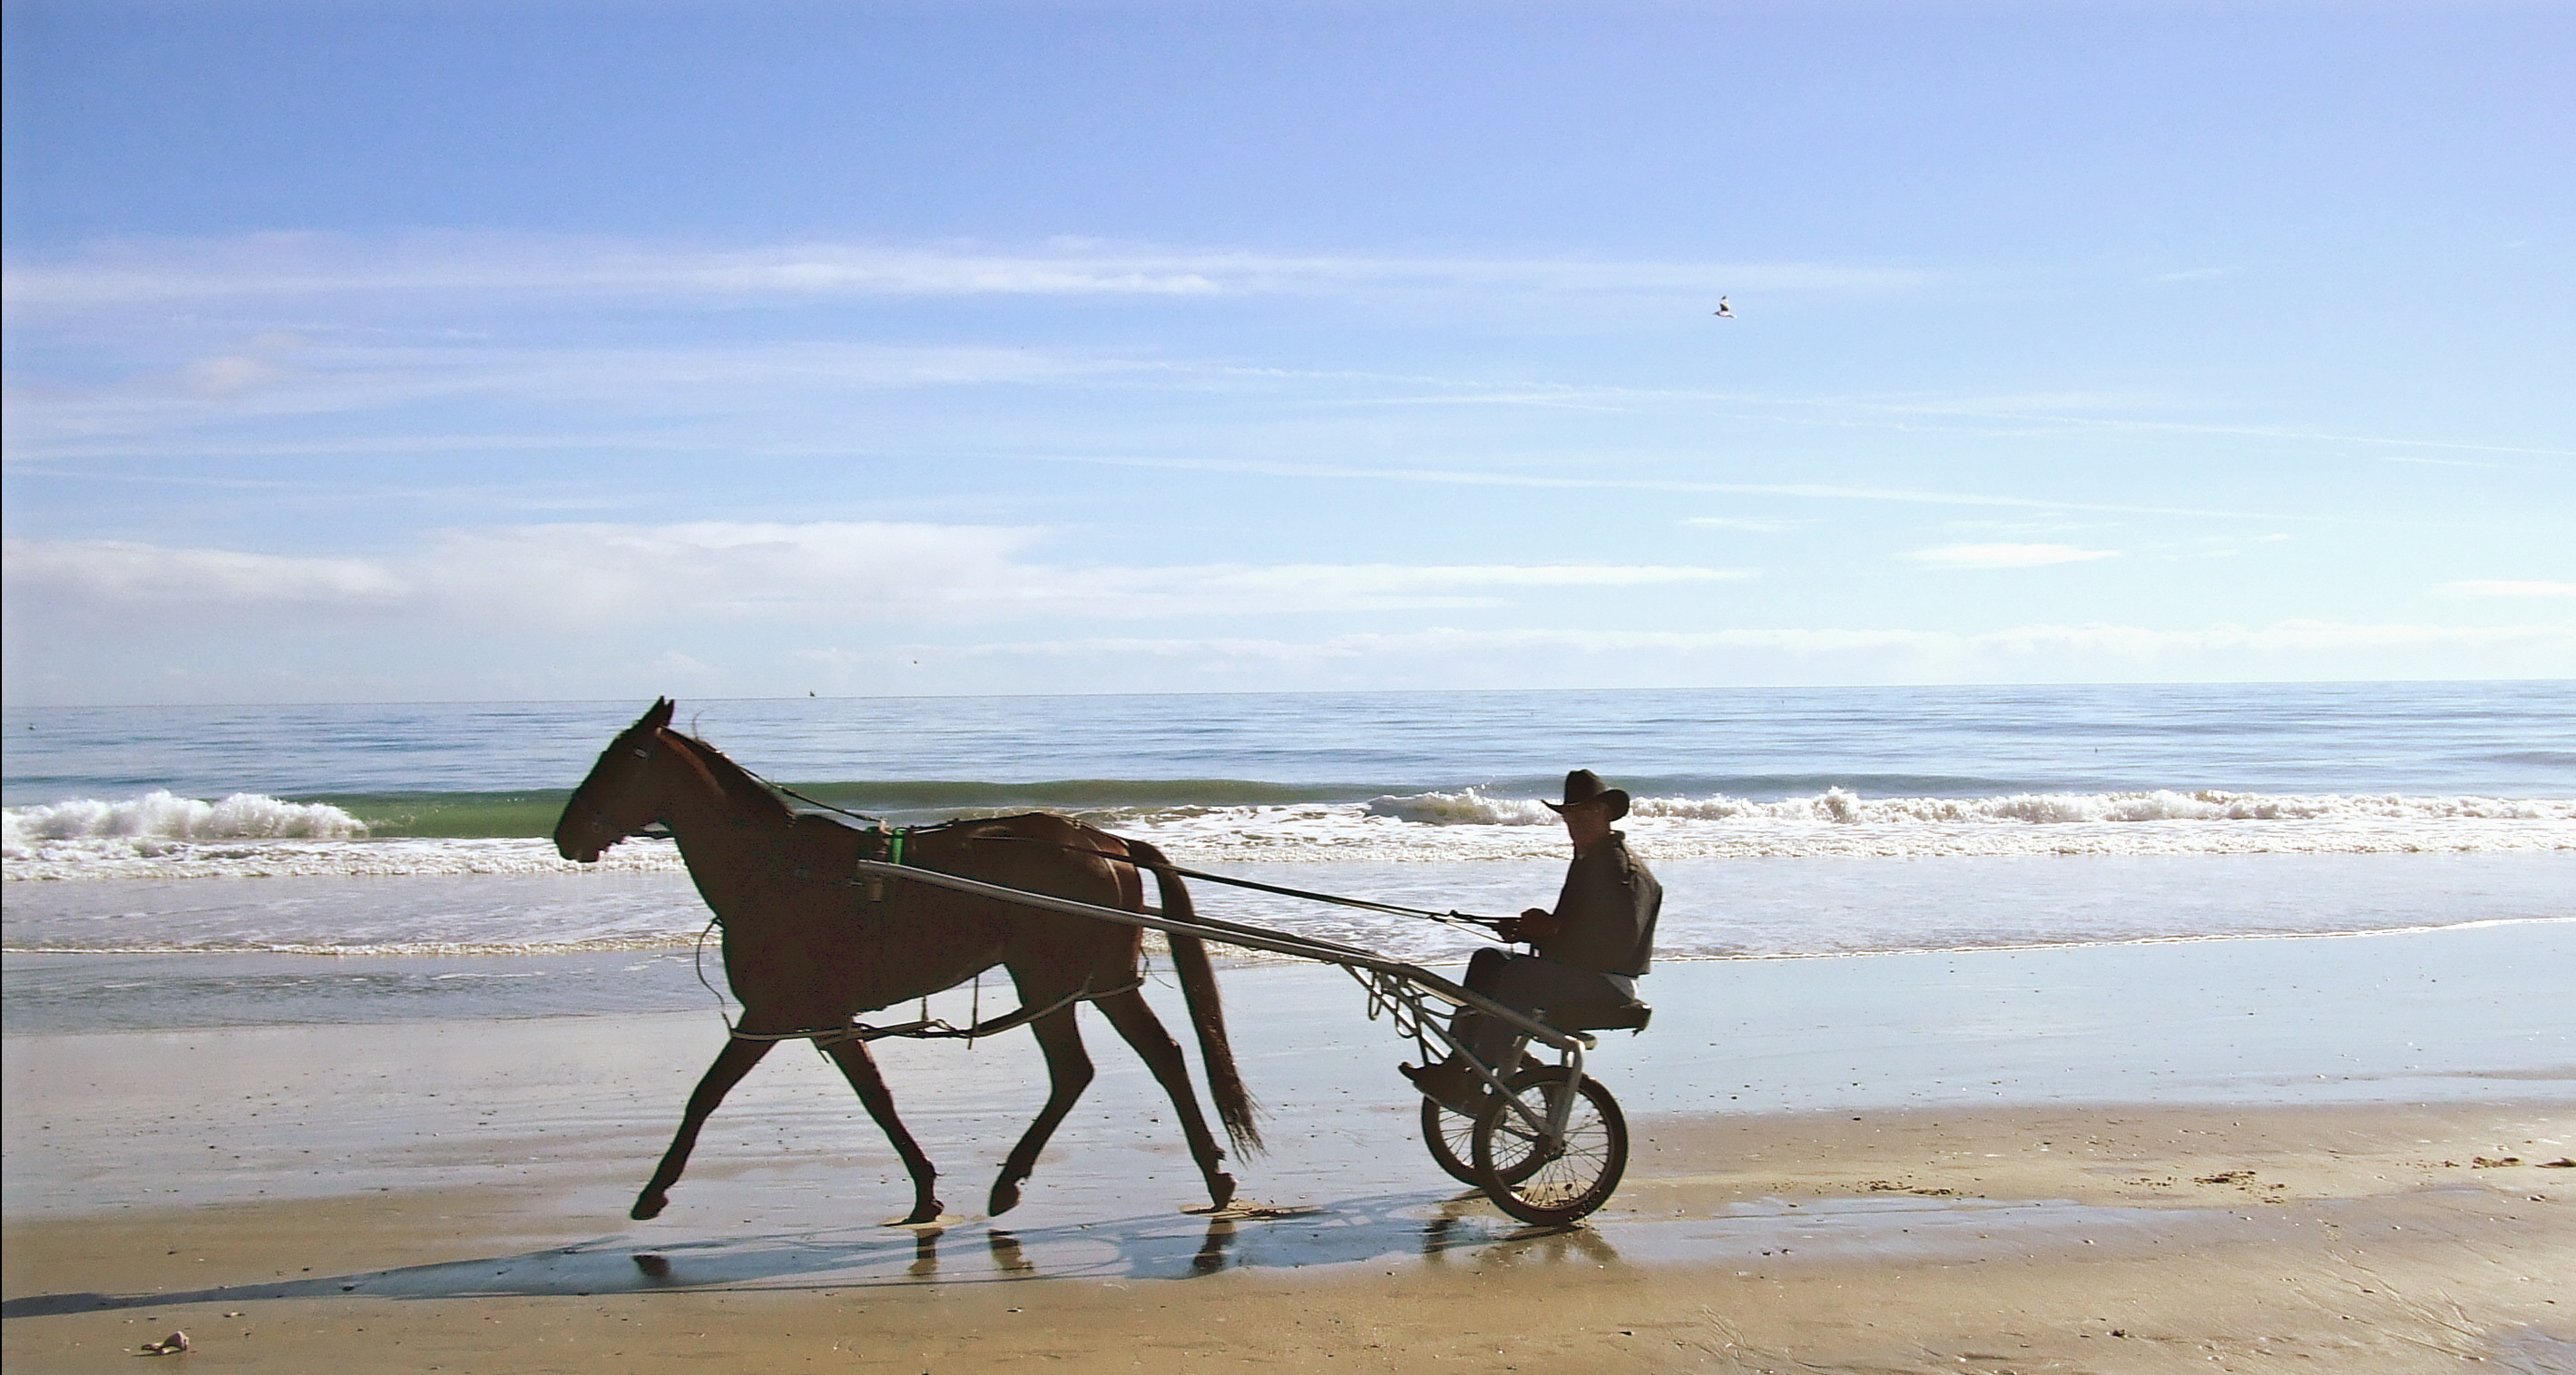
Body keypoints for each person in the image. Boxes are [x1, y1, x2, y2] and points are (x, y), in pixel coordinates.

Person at [1402, 770, 1660, 1114]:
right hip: (1582, 972)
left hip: (1609, 984)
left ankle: (1476, 1079)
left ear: (1606, 813)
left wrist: (1548, 930)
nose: (1577, 821)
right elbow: (1575, 929)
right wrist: (1531, 931)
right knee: (1489, 960)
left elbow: (1610, 938)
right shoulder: (1591, 858)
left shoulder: (1615, 866)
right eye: (1571, 814)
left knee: (1519, 976)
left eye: (1586, 812)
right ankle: (1456, 1066)